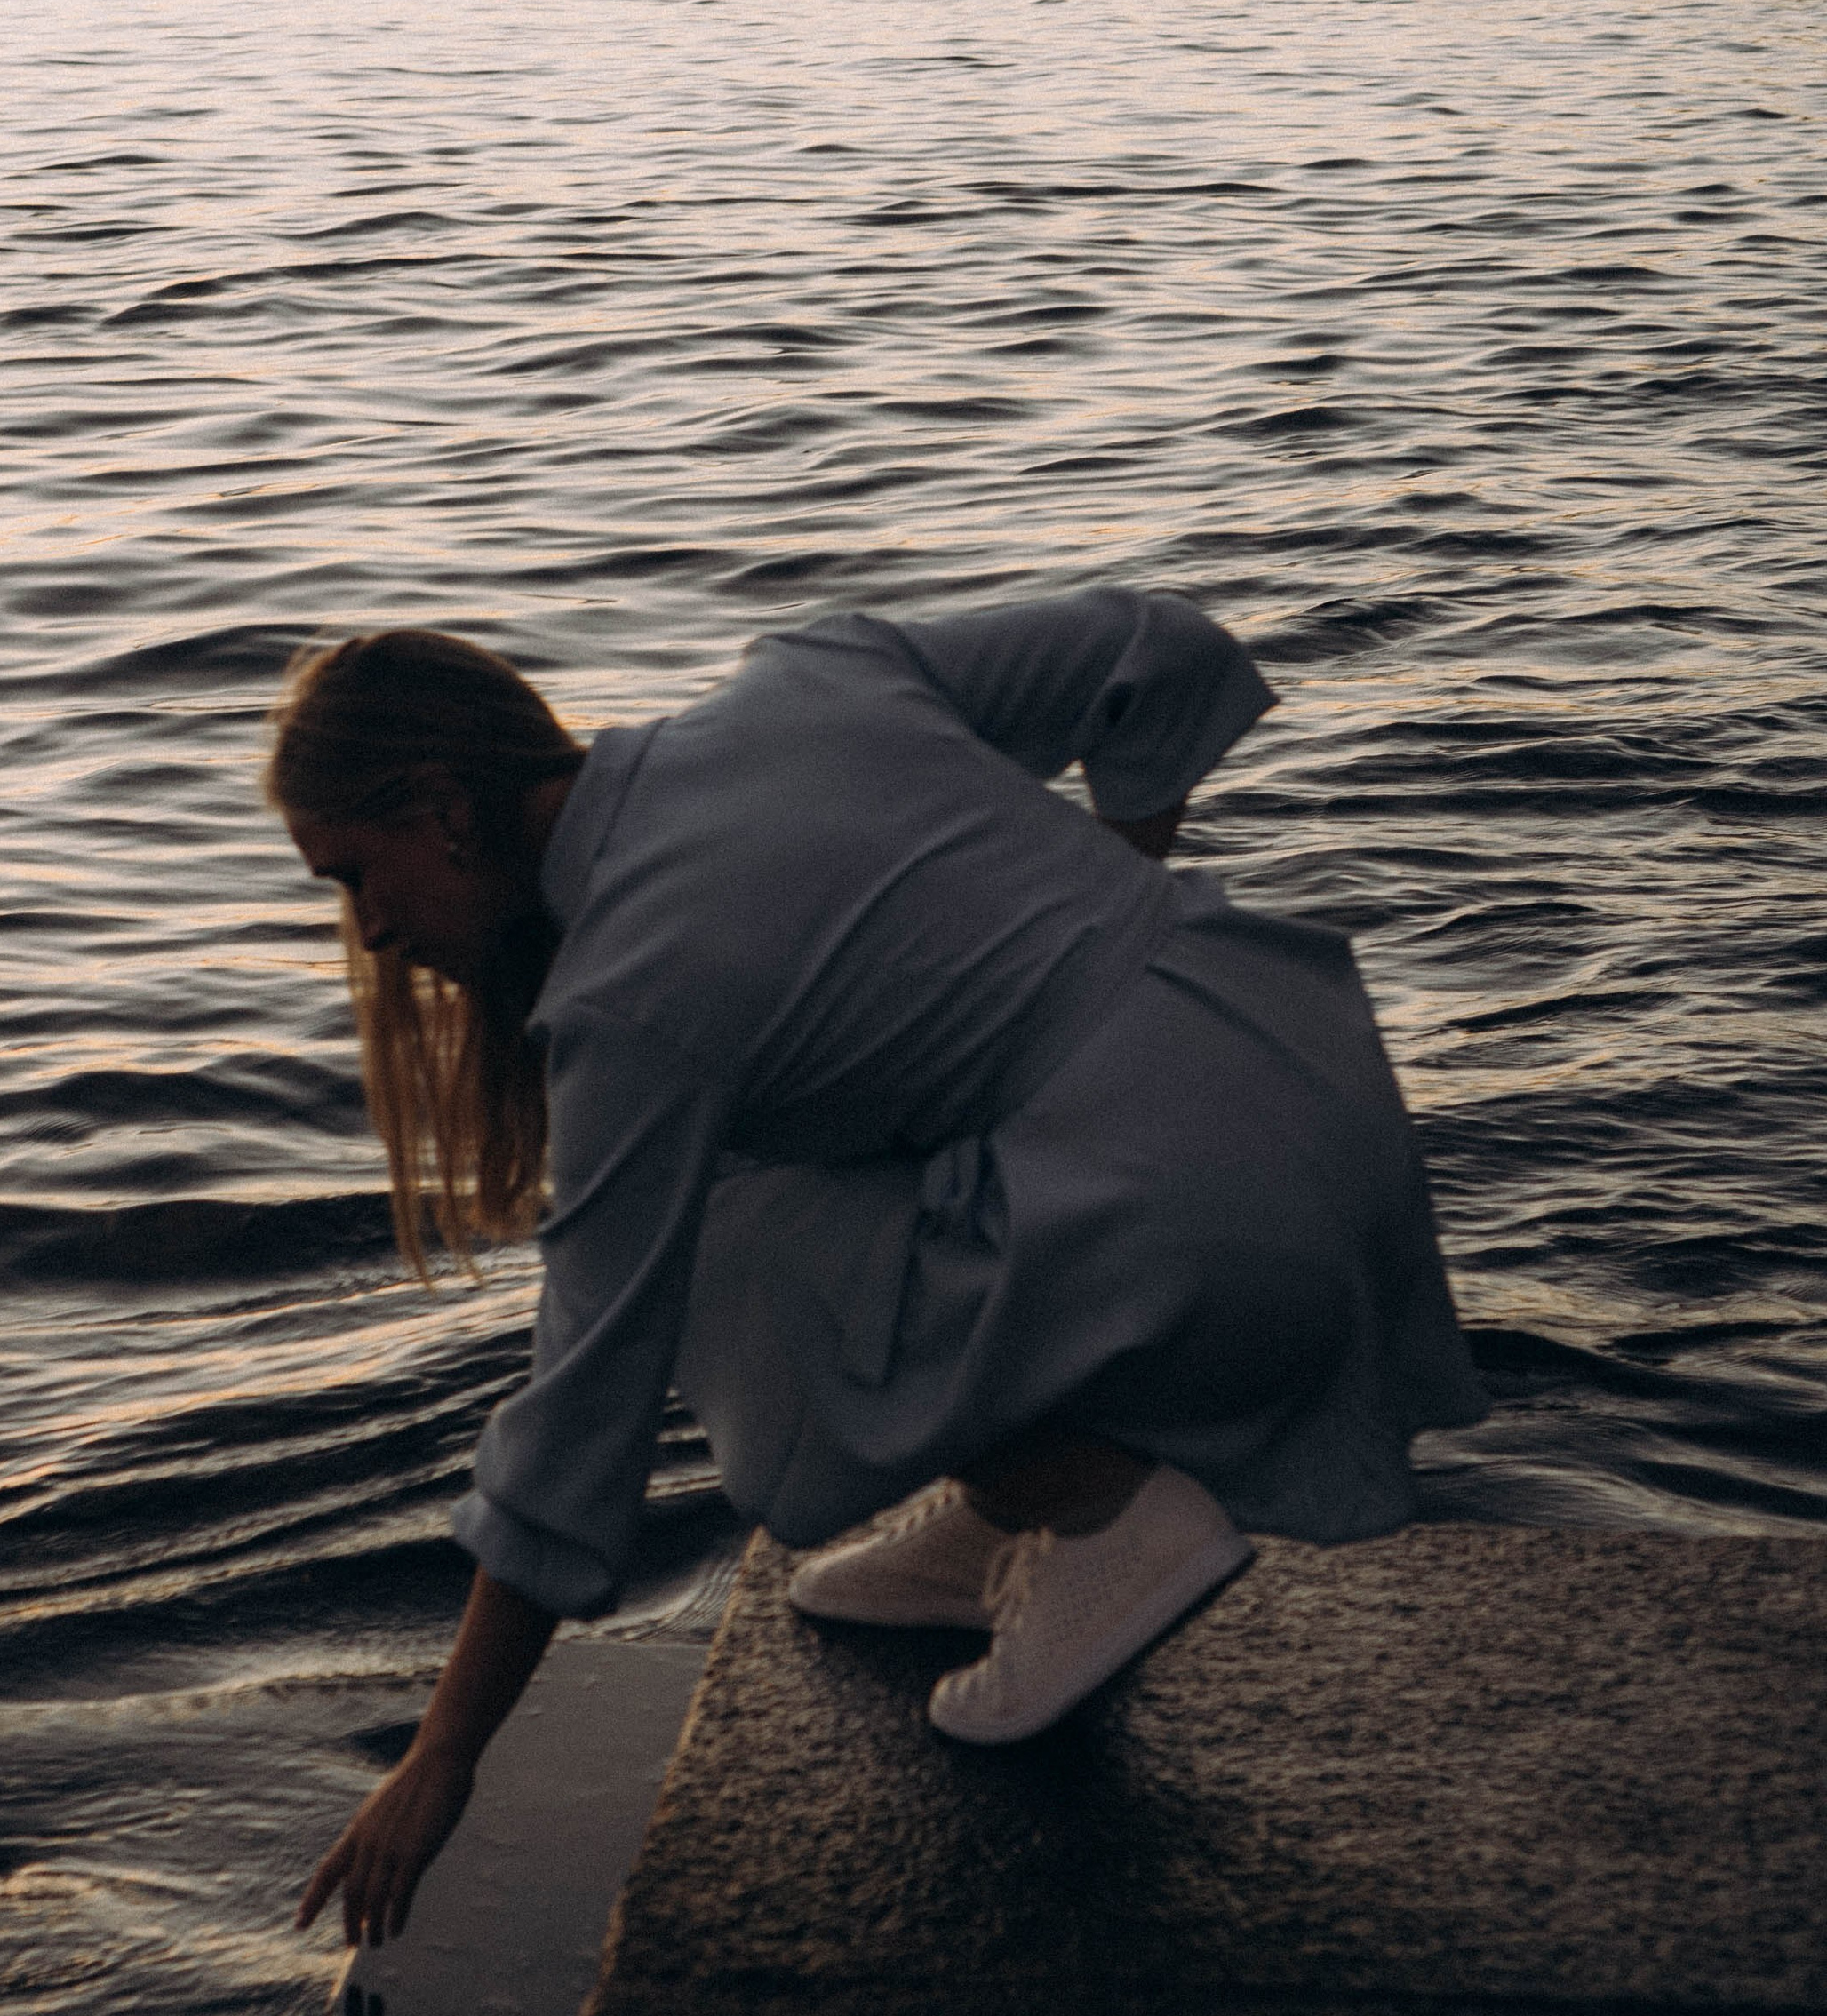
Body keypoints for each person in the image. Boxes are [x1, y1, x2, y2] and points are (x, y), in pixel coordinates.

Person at [271, 597, 1486, 1946]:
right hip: (1314, 1093)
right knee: (793, 1146)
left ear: (442, 806)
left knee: (708, 1238)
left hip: (1202, 1220)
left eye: (350, 874)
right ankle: (1006, 1511)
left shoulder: (627, 999)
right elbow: (1165, 651)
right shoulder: (809, 671)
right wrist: (1098, 927)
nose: (367, 931)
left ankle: (1099, 1516)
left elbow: (584, 1404)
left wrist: (443, 1760)